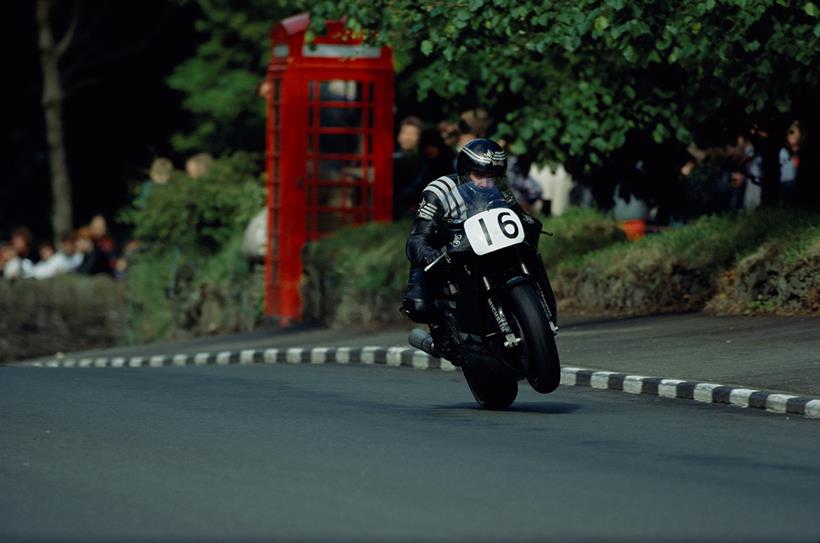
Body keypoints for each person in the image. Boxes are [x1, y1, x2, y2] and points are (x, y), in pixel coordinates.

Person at [399, 138, 557, 360]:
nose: (485, 183)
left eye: (492, 177)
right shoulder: (439, 190)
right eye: (478, 175)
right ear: (464, 171)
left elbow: (519, 217)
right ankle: (442, 339)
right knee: (418, 304)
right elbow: (417, 237)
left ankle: (542, 314)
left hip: (487, 251)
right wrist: (430, 255)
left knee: (529, 252)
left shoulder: (501, 191)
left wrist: (530, 224)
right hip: (444, 253)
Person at [392, 116, 425, 219]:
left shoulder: (423, 161)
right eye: (405, 133)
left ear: (419, 137)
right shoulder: (390, 158)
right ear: (398, 135)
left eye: (412, 134)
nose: (408, 137)